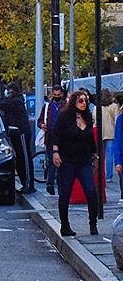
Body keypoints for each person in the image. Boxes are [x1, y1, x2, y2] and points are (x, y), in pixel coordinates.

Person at [52, 89, 99, 236]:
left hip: (84, 161)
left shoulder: (88, 117)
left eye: (86, 100)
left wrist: (95, 155)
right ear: (74, 101)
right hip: (67, 160)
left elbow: (90, 139)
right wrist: (55, 152)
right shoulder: (65, 116)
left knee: (91, 191)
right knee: (65, 193)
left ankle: (93, 224)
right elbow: (56, 134)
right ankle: (65, 226)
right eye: (81, 100)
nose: (84, 103)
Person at [0, 81, 34, 193]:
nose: (7, 92)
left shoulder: (16, 101)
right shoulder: (11, 100)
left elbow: (1, 103)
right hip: (14, 134)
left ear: (13, 91)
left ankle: (29, 185)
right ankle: (25, 183)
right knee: (19, 160)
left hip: (21, 133)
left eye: (8, 90)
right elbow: (0, 102)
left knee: (24, 159)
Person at [37, 84, 66, 194]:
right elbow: (40, 120)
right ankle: (50, 183)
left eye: (58, 95)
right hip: (50, 138)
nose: (56, 96)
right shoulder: (47, 107)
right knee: (52, 162)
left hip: (63, 139)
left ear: (61, 94)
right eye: (55, 95)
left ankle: (59, 183)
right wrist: (42, 125)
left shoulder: (66, 106)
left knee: (62, 162)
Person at [102, 88, 118, 181]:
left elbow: (94, 121)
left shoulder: (97, 107)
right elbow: (116, 120)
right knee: (109, 155)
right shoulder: (114, 106)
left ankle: (101, 174)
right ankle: (109, 176)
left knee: (100, 155)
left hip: (100, 132)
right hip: (111, 132)